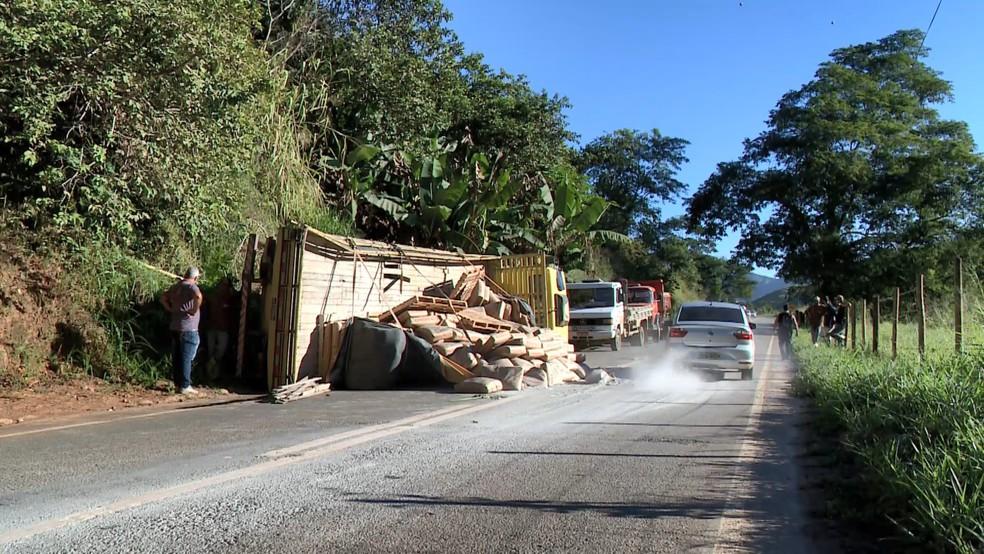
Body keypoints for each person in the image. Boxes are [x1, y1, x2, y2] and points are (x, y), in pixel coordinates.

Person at [161, 267, 204, 394]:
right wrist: (195, 309)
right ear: (195, 278)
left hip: (175, 326)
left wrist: (169, 308)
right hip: (188, 328)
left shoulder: (176, 287)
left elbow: (163, 297)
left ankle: (177, 384)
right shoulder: (191, 287)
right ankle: (185, 385)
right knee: (187, 357)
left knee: (177, 356)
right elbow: (198, 296)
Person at [205, 277, 236, 378]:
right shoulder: (213, 296)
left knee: (220, 351)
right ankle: (211, 374)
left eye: (226, 285)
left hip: (223, 328)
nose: (223, 287)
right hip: (212, 327)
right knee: (212, 351)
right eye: (222, 285)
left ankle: (213, 372)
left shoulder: (230, 298)